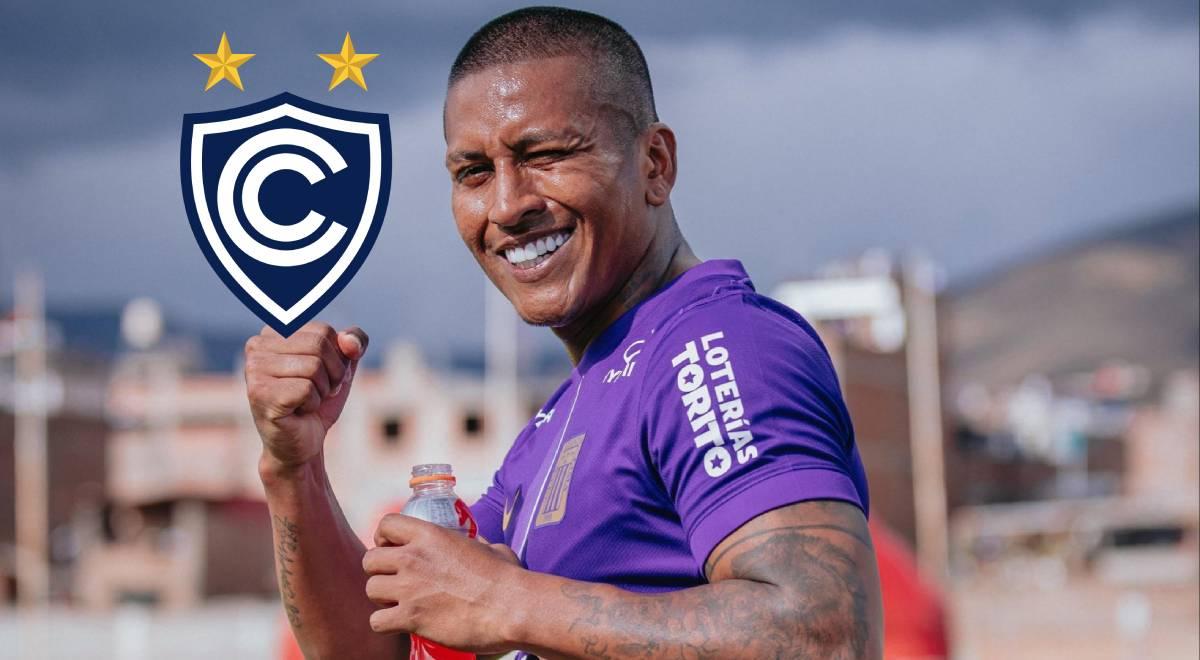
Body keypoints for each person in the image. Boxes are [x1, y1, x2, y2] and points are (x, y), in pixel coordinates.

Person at [245, 7, 882, 659]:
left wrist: (508, 602)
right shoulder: (563, 416)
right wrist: (294, 468)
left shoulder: (717, 345)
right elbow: (384, 649)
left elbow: (825, 634)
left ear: (655, 163)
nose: (507, 205)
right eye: (474, 173)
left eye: (545, 155)